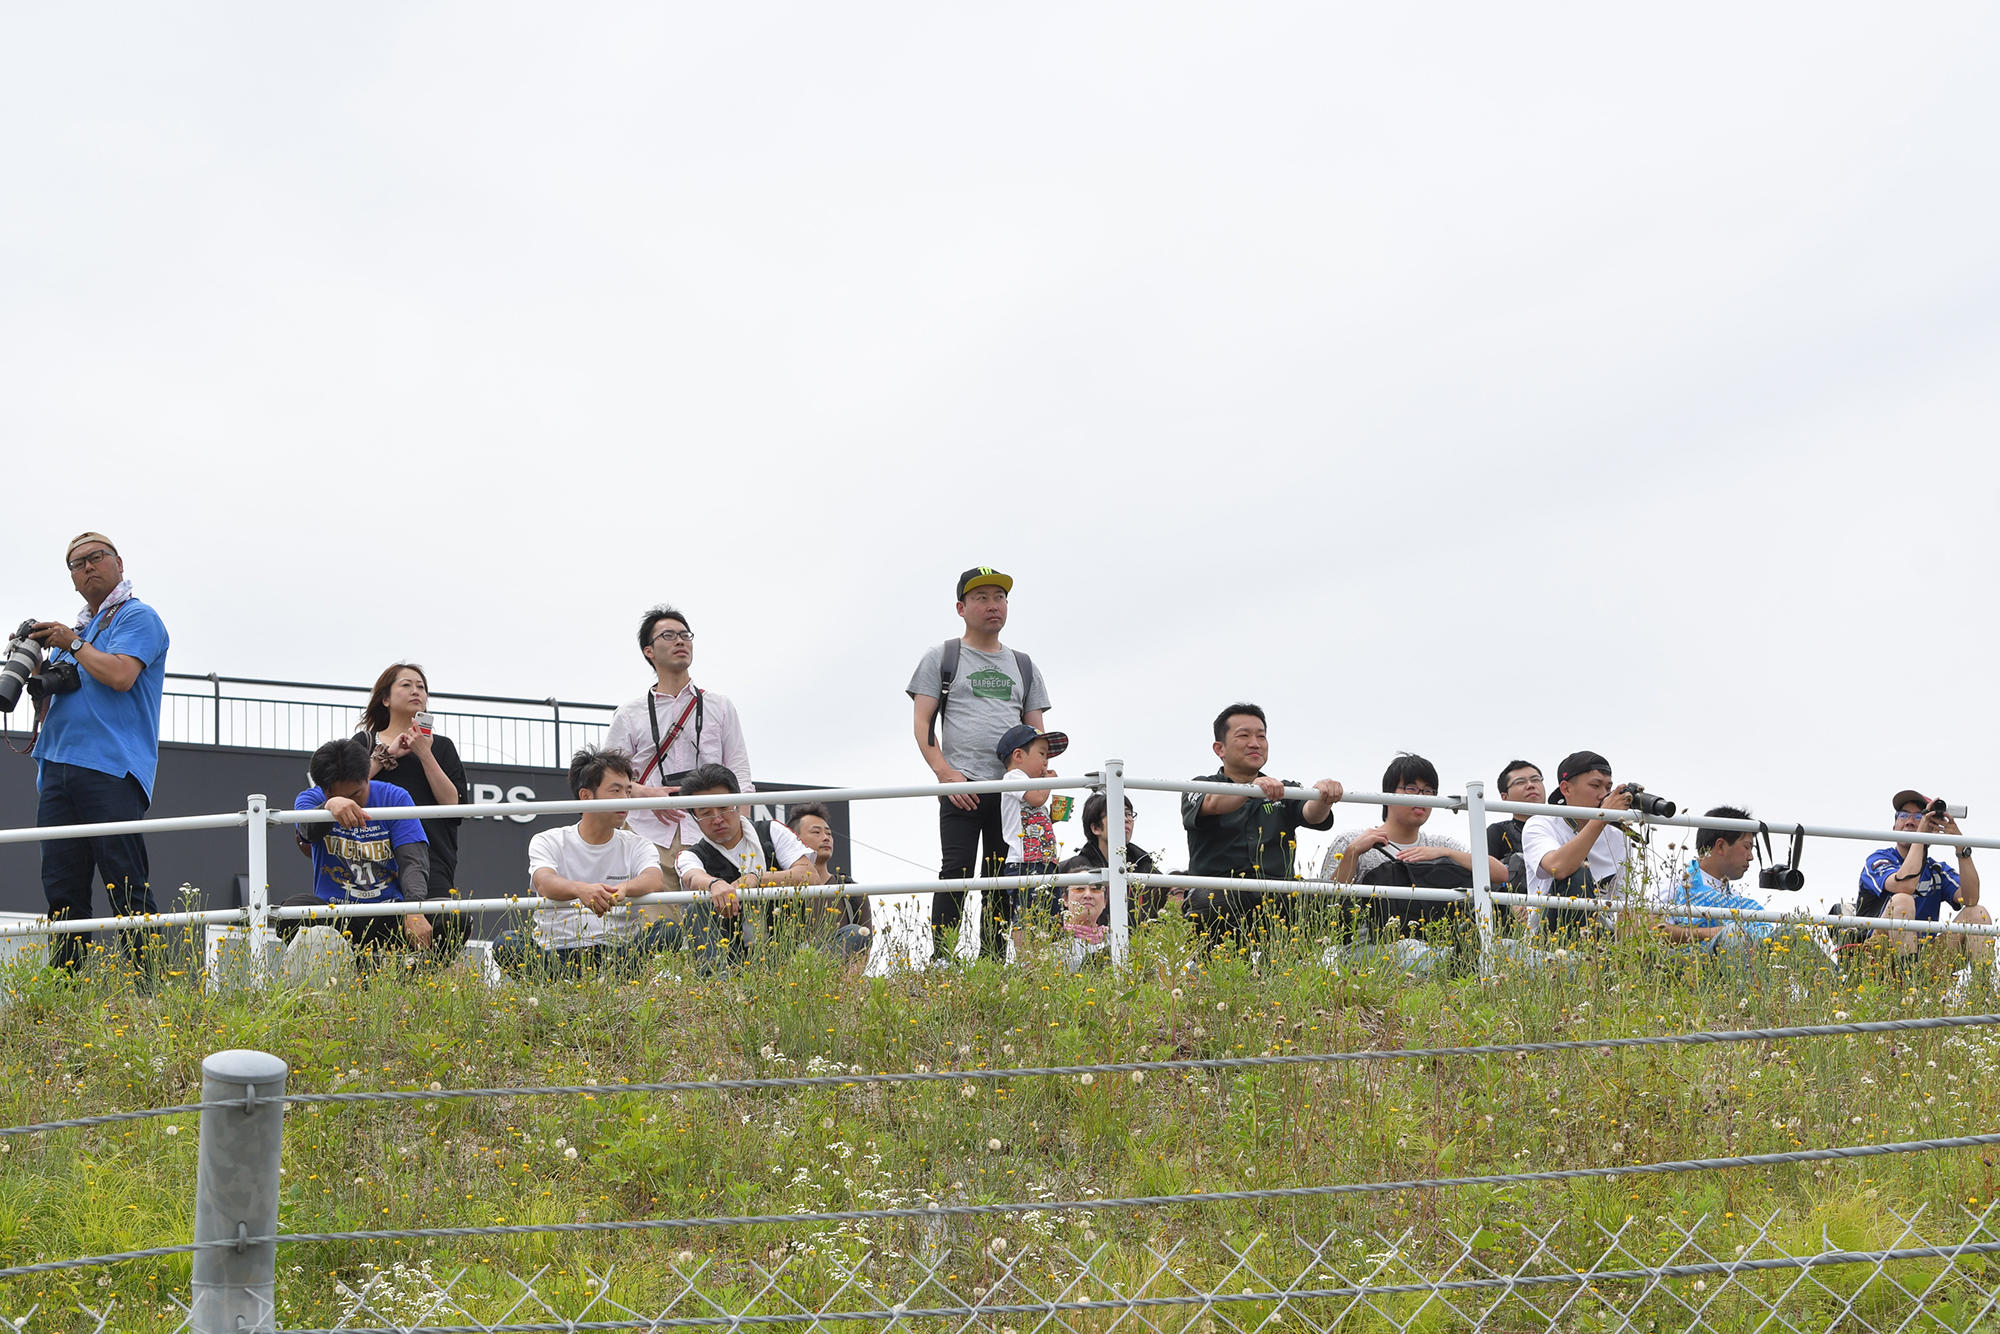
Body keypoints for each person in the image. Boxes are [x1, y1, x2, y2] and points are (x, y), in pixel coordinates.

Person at [25, 533, 170, 973]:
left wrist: (70, 643)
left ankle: (153, 990)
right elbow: (57, 698)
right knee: (62, 889)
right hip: (57, 765)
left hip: (111, 767)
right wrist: (36, 669)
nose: (87, 567)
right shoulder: (80, 630)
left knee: (126, 882)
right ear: (72, 580)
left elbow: (122, 675)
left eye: (96, 557)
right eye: (76, 564)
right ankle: (66, 992)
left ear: (119, 563)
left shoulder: (138, 616)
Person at [907, 567, 1051, 963]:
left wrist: (1041, 777)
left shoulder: (1024, 664)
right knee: (955, 871)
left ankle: (991, 962)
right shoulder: (942, 656)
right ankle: (942, 960)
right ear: (961, 606)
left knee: (1002, 878)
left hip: (1012, 787)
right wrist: (945, 774)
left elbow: (1038, 731)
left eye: (1000, 597)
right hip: (961, 784)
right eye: (982, 597)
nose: (993, 606)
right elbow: (923, 722)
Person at [604, 605, 754, 918]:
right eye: (669, 636)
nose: (680, 641)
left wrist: (741, 830)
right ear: (649, 651)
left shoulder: (719, 706)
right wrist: (648, 794)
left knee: (719, 927)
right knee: (659, 930)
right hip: (649, 835)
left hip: (712, 831)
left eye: (685, 635)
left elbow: (740, 772)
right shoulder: (629, 713)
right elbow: (610, 783)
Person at [493, 747, 676, 977]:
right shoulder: (549, 840)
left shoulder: (637, 844)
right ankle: (572, 985)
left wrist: (625, 889)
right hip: (557, 950)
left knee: (669, 931)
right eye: (615, 790)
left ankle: (604, 982)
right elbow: (544, 882)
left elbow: (654, 879)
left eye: (628, 792)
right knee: (505, 942)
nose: (625, 800)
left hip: (618, 951)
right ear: (586, 796)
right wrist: (581, 890)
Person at [1181, 703, 1343, 946]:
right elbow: (1213, 803)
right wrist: (1252, 790)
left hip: (1278, 892)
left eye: (1261, 736)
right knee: (1213, 900)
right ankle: (1216, 972)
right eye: (1243, 735)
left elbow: (1312, 814)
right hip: (1218, 890)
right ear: (1219, 748)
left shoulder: (1283, 788)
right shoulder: (1200, 785)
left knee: (1330, 901)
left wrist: (1324, 795)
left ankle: (1297, 975)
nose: (1255, 743)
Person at [280, 738, 439, 956]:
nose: (351, 803)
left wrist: (414, 910)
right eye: (338, 795)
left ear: (368, 777)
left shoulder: (395, 796)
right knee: (292, 910)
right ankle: (337, 971)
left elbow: (413, 860)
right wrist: (329, 806)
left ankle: (419, 975)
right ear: (323, 789)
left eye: (356, 794)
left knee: (452, 916)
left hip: (392, 912)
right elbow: (306, 832)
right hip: (336, 914)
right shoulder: (309, 800)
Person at [357, 662, 470, 958]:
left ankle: (427, 984)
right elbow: (350, 790)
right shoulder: (364, 743)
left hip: (432, 858)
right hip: (372, 857)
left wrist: (424, 752)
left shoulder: (442, 747)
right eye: (406, 685)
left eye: (421, 686)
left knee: (446, 922)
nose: (416, 691)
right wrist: (386, 755)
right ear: (385, 698)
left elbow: (452, 805)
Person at [672, 764, 816, 972]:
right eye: (705, 813)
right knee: (698, 907)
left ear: (738, 803)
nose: (718, 818)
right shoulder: (690, 855)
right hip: (730, 959)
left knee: (853, 934)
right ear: (694, 817)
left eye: (724, 808)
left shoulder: (772, 830)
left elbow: (810, 875)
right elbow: (692, 876)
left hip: (789, 954)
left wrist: (757, 878)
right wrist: (715, 885)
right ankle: (717, 985)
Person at [1323, 753, 1509, 886]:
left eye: (1428, 791)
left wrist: (1446, 853)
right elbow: (1323, 904)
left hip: (1437, 939)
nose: (1421, 797)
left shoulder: (1441, 844)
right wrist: (1352, 853)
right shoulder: (1351, 841)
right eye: (1411, 788)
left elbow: (1500, 873)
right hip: (1370, 940)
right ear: (1388, 794)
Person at [1855, 790, 1990, 960]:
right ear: (1894, 827)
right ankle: (1907, 982)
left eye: (1919, 817)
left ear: (1932, 830)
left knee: (1977, 914)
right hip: (1878, 956)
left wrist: (1960, 845)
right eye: (1904, 815)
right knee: (1903, 899)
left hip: (1924, 961)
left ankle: (1983, 985)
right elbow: (1905, 885)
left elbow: (1971, 899)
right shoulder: (1879, 859)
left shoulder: (1936, 870)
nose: (1910, 822)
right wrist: (1920, 837)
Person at [1518, 750, 1640, 937]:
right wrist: (1602, 818)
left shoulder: (1618, 837)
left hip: (1602, 937)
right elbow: (1557, 867)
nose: (1604, 795)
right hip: (1550, 936)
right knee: (1578, 872)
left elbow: (1624, 906)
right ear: (1566, 789)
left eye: (1609, 788)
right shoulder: (1541, 822)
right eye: (1595, 785)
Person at [1655, 806, 1776, 953]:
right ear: (1720, 846)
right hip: (1693, 966)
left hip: (1739, 965)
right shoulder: (1675, 883)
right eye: (1746, 847)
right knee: (1734, 935)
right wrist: (1713, 933)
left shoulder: (1736, 898)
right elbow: (1649, 928)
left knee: (1793, 933)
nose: (1751, 857)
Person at [993, 722, 1067, 961]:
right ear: (1018, 755)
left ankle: (1048, 962)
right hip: (1024, 862)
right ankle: (1028, 963)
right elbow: (1035, 799)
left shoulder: (1032, 786)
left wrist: (1053, 816)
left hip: (1044, 860)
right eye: (1042, 754)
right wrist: (1049, 784)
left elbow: (1036, 816)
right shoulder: (1013, 777)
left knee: (1052, 914)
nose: (1046, 762)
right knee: (1025, 915)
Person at [1055, 793, 1167, 922]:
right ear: (1096, 828)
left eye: (1128, 814)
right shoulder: (1075, 868)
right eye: (1117, 814)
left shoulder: (1144, 866)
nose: (1126, 819)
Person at [785, 802, 873, 964]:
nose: (826, 838)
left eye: (829, 833)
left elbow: (864, 948)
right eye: (816, 832)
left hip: (839, 980)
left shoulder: (851, 891)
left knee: (856, 933)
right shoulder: (783, 891)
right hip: (794, 977)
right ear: (794, 839)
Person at [1488, 761, 1543, 862]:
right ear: (1505, 797)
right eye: (1520, 782)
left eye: (1535, 780)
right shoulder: (1498, 832)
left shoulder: (1564, 824)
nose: (1530, 785)